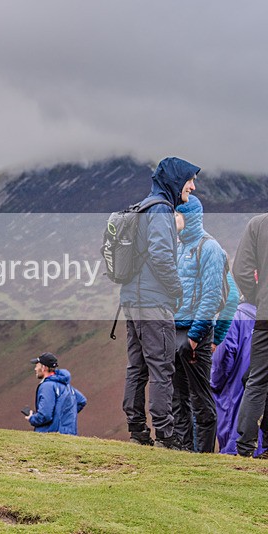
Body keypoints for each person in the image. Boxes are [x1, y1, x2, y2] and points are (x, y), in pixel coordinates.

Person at [120, 157, 198, 450]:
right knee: (162, 368)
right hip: (153, 303)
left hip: (132, 301)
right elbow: (162, 256)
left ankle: (137, 430)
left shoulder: (144, 206)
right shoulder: (162, 209)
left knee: (137, 367)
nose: (192, 185)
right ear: (176, 179)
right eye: (189, 179)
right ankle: (166, 436)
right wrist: (177, 290)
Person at [171, 195, 226, 452]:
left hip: (196, 334)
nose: (173, 220)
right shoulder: (178, 247)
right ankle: (184, 453)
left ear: (189, 217)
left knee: (200, 397)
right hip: (175, 331)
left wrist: (195, 335)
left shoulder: (210, 248)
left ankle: (203, 456)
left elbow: (212, 296)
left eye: (177, 215)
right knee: (178, 397)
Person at [211, 299, 266, 456]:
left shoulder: (237, 315)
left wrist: (215, 381)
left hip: (236, 388)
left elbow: (223, 356)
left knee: (236, 425)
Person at [233, 214, 268, 458]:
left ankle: (245, 449)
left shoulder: (258, 224)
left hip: (265, 315)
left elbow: (241, 270)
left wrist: (259, 298)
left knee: (257, 380)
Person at [24, 353, 87, 435]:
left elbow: (45, 415)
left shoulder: (47, 386)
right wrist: (64, 416)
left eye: (37, 366)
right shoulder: (65, 385)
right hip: (69, 435)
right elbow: (81, 401)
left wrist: (32, 418)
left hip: (51, 435)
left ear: (44, 368)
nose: (35, 369)